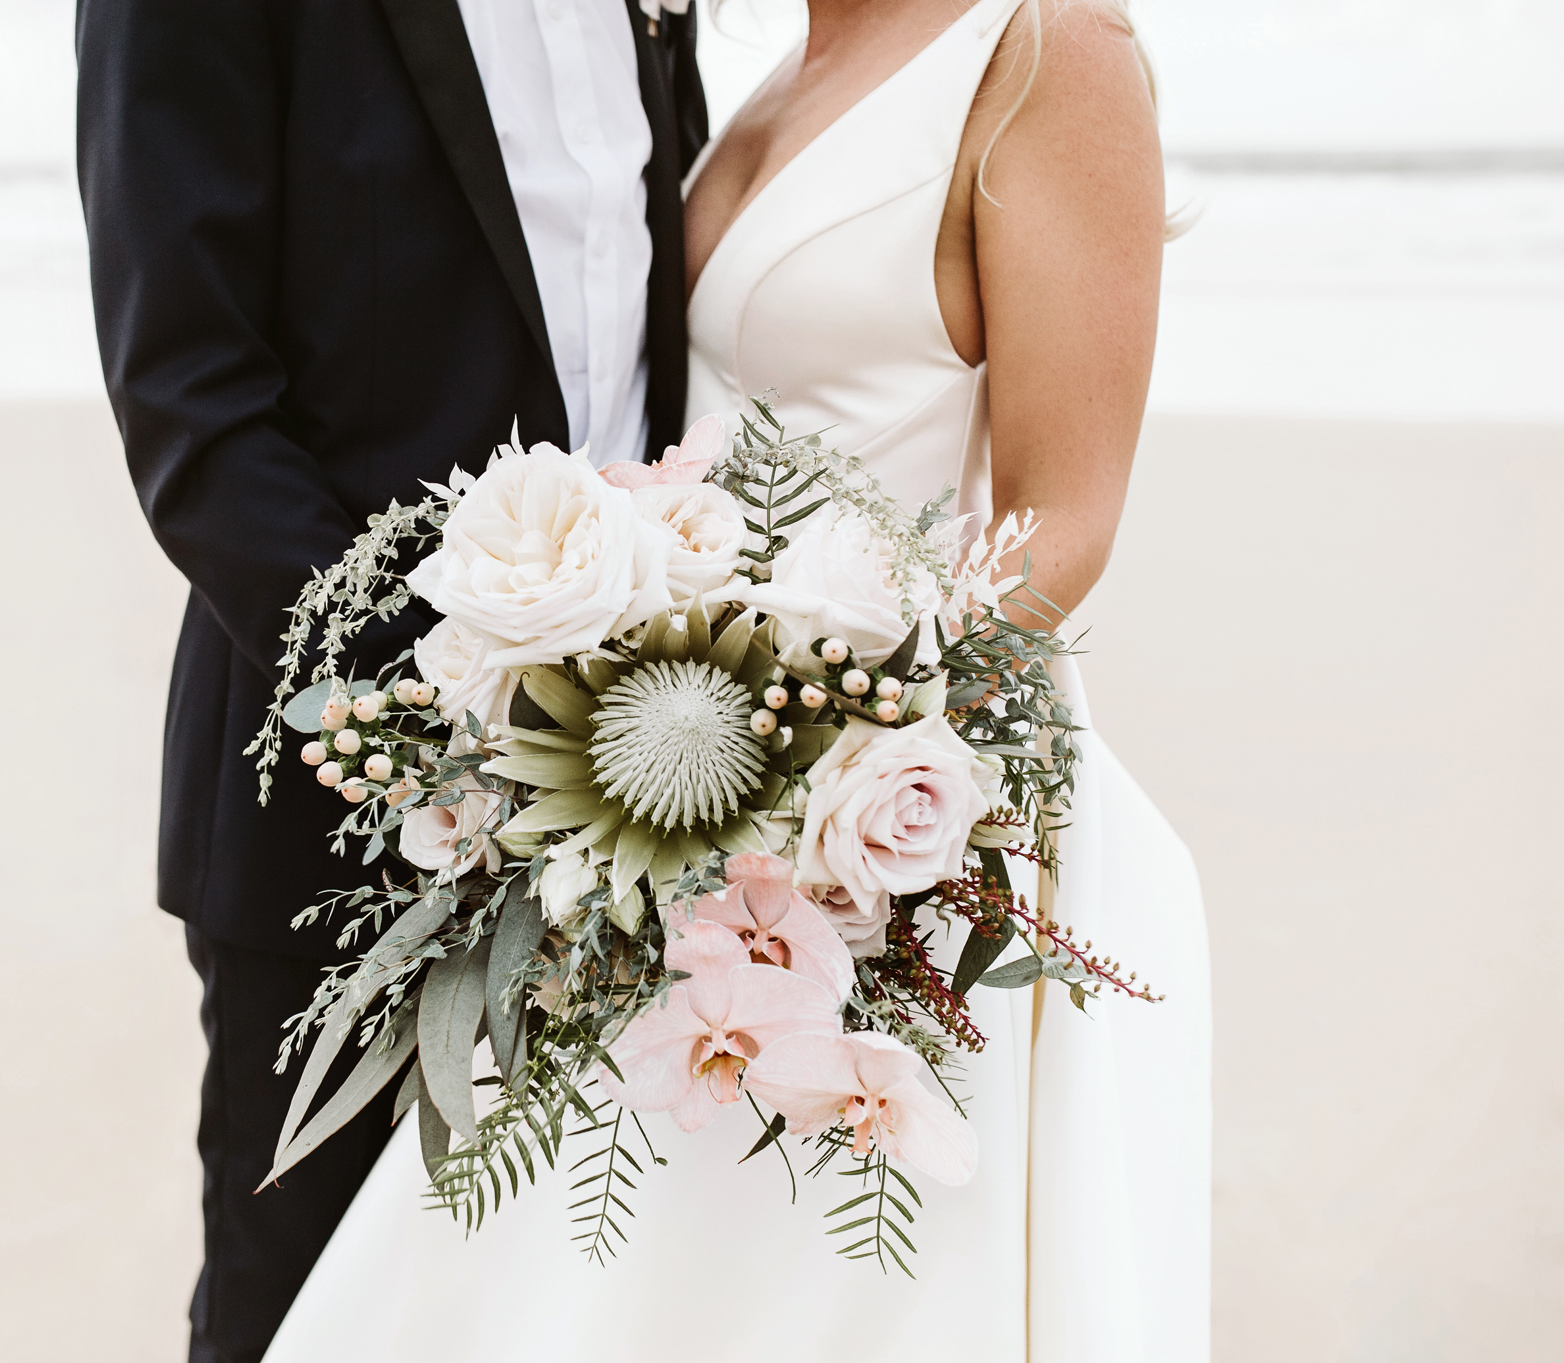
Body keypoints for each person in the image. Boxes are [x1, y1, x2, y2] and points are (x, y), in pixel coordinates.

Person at [262, 1, 1211, 1359]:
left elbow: (1067, 519)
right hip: (687, 799)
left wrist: (836, 760)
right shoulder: (779, 61)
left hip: (887, 833)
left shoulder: (1050, 51)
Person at [74, 1, 706, 1359]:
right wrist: (463, 707)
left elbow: (649, 349)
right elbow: (194, 409)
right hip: (341, 792)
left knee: (580, 1308)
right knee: (307, 1317)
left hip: (653, 797)